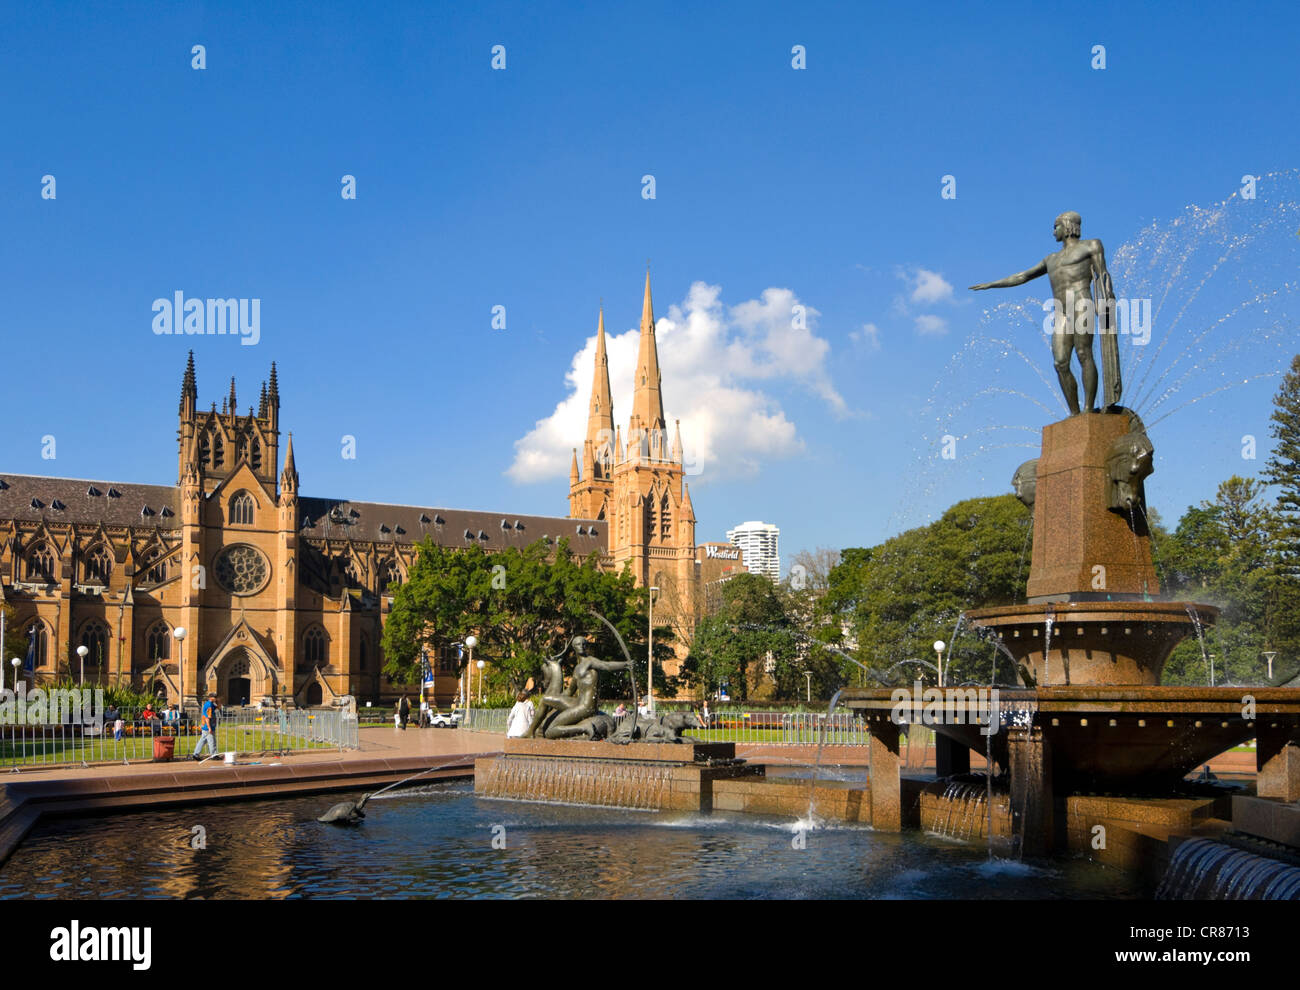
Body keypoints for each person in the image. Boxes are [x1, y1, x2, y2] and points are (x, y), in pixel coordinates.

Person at [191, 692, 219, 760]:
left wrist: (218, 702)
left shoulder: (211, 704)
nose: (215, 698)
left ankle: (196, 754)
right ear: (210, 697)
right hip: (208, 726)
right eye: (214, 697)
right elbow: (207, 717)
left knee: (203, 740)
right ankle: (213, 755)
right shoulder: (209, 705)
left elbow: (218, 707)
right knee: (212, 740)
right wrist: (209, 727)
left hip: (207, 725)